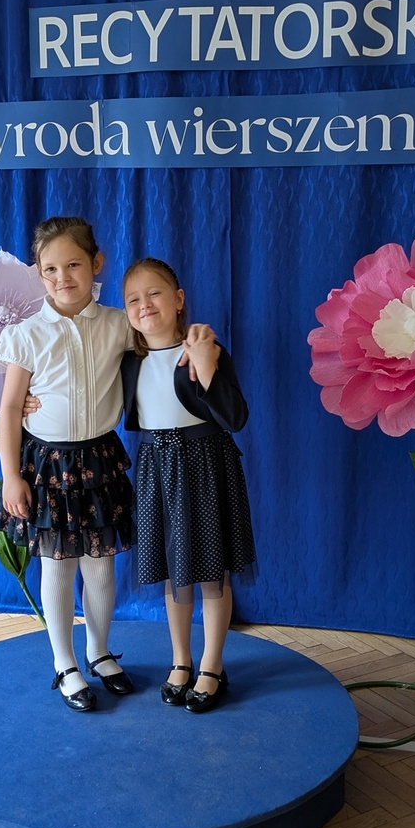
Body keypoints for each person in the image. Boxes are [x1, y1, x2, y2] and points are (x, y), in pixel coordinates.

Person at [0, 217, 135, 711]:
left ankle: (99, 651)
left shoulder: (119, 324)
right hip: (48, 466)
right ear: (39, 272)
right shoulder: (26, 334)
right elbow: (9, 408)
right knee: (57, 564)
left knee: (100, 565)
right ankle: (64, 662)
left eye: (73, 264)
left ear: (97, 263)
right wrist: (11, 476)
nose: (62, 277)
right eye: (50, 269)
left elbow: (158, 352)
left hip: (99, 460)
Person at [120, 258, 256, 713]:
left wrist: (205, 363)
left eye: (154, 293)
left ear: (178, 299)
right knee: (173, 572)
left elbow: (235, 417)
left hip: (206, 465)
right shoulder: (128, 362)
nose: (144, 305)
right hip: (157, 470)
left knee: (212, 573)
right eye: (133, 299)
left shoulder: (205, 348)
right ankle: (181, 660)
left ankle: (212, 665)